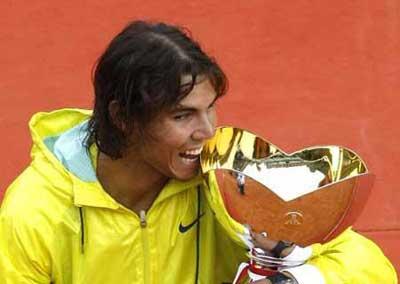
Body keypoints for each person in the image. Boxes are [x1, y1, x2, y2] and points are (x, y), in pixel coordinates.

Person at [0, 20, 397, 284]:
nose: (207, 132)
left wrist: (295, 274)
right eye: (182, 116)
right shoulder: (35, 213)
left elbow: (371, 268)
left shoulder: (226, 180)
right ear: (123, 118)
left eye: (210, 109)